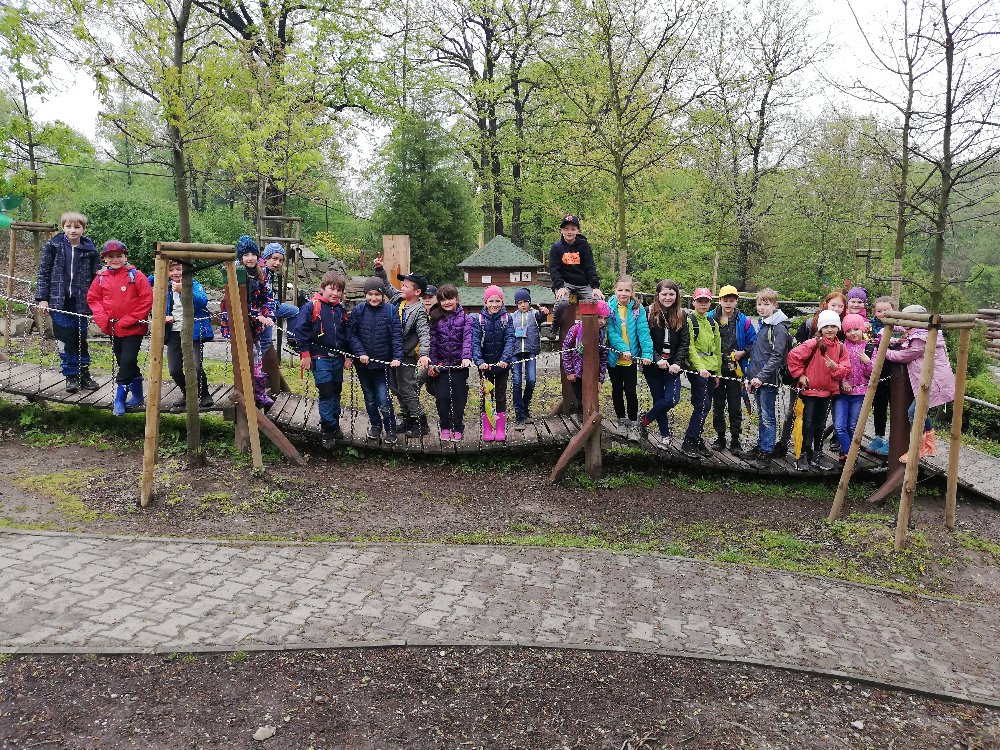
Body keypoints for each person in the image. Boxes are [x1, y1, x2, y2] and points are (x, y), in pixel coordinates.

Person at [35, 211, 102, 393]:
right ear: (63, 227)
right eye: (69, 226)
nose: (73, 230)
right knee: (65, 338)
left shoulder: (90, 249)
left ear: (83, 229)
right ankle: (71, 376)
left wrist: (99, 302)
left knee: (80, 338)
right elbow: (44, 272)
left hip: (81, 302)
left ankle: (84, 374)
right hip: (59, 301)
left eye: (77, 227)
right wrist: (43, 299)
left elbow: (97, 276)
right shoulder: (53, 245)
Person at [86, 240, 153, 416]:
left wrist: (129, 319)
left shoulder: (136, 276)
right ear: (105, 259)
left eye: (119, 255)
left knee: (127, 361)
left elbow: (146, 299)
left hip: (134, 328)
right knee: (125, 362)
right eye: (110, 256)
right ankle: (137, 396)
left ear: (125, 257)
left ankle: (119, 399)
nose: (115, 259)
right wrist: (103, 320)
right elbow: (93, 299)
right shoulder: (101, 277)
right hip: (113, 328)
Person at [884, 304, 956, 463]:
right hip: (931, 380)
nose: (905, 324)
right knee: (920, 412)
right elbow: (902, 327)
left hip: (934, 382)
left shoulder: (921, 339)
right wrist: (887, 325)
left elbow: (905, 356)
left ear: (919, 321)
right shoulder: (923, 331)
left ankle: (919, 448)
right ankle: (928, 444)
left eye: (908, 320)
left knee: (914, 413)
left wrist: (884, 351)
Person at [293, 272, 352, 448]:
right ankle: (328, 428)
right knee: (326, 391)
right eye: (331, 289)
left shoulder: (341, 310)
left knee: (336, 391)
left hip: (337, 359)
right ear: (322, 288)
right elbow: (300, 331)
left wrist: (348, 355)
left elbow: (346, 335)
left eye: (339, 290)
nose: (335, 293)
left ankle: (334, 423)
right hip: (320, 358)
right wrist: (305, 355)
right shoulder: (312, 307)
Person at [373, 261, 431, 439]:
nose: (402, 287)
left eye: (405, 286)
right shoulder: (398, 299)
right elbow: (387, 286)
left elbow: (424, 333)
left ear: (417, 292)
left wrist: (424, 354)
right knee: (395, 388)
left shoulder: (419, 310)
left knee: (407, 388)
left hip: (406, 355)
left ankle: (420, 422)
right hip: (392, 353)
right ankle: (407, 418)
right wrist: (379, 269)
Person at [787, 309, 850, 471]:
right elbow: (793, 356)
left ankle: (817, 454)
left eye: (833, 326)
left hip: (827, 392)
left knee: (820, 425)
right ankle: (802, 455)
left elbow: (845, 370)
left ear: (838, 328)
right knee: (806, 424)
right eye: (826, 326)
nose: (830, 329)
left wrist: (835, 368)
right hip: (809, 392)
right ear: (820, 328)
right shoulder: (812, 344)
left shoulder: (841, 348)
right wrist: (800, 375)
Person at [149, 259, 215, 412]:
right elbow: (147, 282)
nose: (175, 273)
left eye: (178, 269)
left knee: (195, 366)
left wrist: (184, 290)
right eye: (171, 270)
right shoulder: (164, 286)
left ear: (185, 270)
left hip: (193, 331)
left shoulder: (194, 284)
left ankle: (204, 393)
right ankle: (188, 394)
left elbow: (202, 301)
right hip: (173, 331)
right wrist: (161, 268)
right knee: (174, 369)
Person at [347, 277, 403, 444]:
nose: (373, 298)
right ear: (365, 294)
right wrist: (360, 352)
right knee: (370, 398)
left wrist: (397, 357)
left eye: (377, 294)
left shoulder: (390, 311)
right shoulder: (359, 310)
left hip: (382, 365)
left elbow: (396, 336)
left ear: (382, 295)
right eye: (370, 294)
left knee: (383, 399)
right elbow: (351, 334)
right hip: (363, 365)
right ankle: (375, 424)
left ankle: (390, 428)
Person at [744, 288, 791, 468]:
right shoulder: (764, 323)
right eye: (759, 304)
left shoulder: (779, 328)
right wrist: (751, 377)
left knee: (768, 417)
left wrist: (761, 377)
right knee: (761, 414)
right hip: (757, 378)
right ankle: (762, 446)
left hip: (768, 380)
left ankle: (767, 452)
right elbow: (758, 353)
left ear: (774, 305)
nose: (761, 307)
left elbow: (777, 356)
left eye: (766, 304)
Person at [708, 284, 756, 454]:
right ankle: (720, 437)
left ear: (736, 301)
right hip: (716, 369)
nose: (728, 303)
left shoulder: (744, 321)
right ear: (719, 300)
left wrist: (743, 353)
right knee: (718, 405)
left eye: (732, 300)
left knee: (735, 406)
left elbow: (754, 342)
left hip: (736, 370)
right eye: (725, 299)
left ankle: (735, 439)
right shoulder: (710, 318)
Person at [606, 275, 654, 440]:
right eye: (620, 290)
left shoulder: (637, 310)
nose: (623, 293)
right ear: (615, 291)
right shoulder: (609, 308)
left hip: (631, 360)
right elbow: (611, 332)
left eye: (627, 290)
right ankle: (621, 421)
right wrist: (623, 349)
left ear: (632, 292)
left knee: (631, 391)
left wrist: (647, 354)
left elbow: (644, 333)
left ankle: (633, 424)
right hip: (615, 358)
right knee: (617, 390)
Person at [641, 279, 688, 442]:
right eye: (664, 294)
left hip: (672, 366)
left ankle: (645, 419)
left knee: (671, 399)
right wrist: (657, 359)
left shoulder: (681, 315)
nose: (668, 297)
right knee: (659, 398)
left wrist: (677, 363)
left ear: (677, 296)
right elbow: (644, 339)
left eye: (671, 294)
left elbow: (684, 342)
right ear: (657, 295)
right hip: (653, 366)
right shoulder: (647, 313)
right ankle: (665, 434)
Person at [234, 236, 277, 409]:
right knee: (246, 357)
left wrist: (269, 315)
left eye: (253, 254)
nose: (250, 258)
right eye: (246, 255)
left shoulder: (261, 274)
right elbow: (239, 302)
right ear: (240, 257)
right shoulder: (236, 273)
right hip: (241, 323)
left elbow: (268, 298)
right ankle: (248, 391)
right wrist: (257, 316)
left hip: (257, 325)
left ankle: (259, 393)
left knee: (258, 356)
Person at [428, 284, 473, 442]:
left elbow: (467, 339)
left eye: (450, 298)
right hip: (441, 366)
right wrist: (433, 363)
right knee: (442, 397)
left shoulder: (466, 318)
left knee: (459, 398)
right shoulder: (435, 318)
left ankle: (458, 426)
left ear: (457, 299)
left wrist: (466, 357)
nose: (447, 302)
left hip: (459, 366)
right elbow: (432, 343)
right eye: (443, 300)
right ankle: (445, 426)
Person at [680, 288, 722, 460]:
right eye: (700, 301)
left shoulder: (712, 323)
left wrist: (717, 372)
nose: (703, 304)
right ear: (694, 302)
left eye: (706, 301)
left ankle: (696, 438)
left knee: (706, 405)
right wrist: (699, 368)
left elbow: (717, 349)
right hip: (697, 369)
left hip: (711, 368)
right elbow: (689, 347)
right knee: (702, 405)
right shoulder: (689, 321)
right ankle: (690, 440)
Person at [471, 285, 515, 442]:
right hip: (485, 368)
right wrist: (479, 362)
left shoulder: (507, 319)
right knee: (486, 397)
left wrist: (505, 359)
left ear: (502, 302)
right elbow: (475, 342)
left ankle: (500, 428)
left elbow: (510, 339)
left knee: (501, 396)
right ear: (485, 302)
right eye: (491, 301)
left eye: (497, 301)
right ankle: (488, 427)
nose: (494, 304)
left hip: (502, 366)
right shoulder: (479, 320)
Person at [833, 313, 873, 461]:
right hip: (842, 393)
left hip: (860, 393)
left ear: (862, 329)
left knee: (852, 425)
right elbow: (836, 368)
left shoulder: (869, 347)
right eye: (848, 330)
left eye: (856, 329)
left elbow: (873, 374)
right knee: (839, 426)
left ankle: (848, 456)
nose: (853, 333)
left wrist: (868, 362)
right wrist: (843, 381)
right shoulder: (841, 347)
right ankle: (848, 452)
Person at [510, 287, 549, 429]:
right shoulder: (511, 317)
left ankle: (525, 408)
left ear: (529, 302)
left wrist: (543, 312)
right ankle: (519, 416)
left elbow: (542, 316)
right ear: (516, 304)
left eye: (525, 302)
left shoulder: (534, 314)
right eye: (520, 303)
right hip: (515, 353)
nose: (523, 305)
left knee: (531, 380)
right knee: (517, 382)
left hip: (530, 351)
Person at [562, 301, 610, 410]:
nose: (602, 321)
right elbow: (566, 350)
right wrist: (569, 371)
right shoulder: (575, 329)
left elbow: (603, 358)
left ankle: (588, 417)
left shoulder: (604, 335)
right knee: (580, 400)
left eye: (605, 318)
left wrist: (600, 379)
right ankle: (581, 417)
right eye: (599, 317)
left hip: (593, 373)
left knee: (591, 400)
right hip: (576, 372)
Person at [549, 215, 604, 303]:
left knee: (598, 301)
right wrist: (560, 287)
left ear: (578, 231)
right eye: (566, 229)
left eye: (573, 229)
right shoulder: (556, 248)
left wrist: (595, 287)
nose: (569, 232)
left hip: (584, 285)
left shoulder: (584, 246)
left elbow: (590, 267)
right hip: (565, 284)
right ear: (561, 231)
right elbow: (554, 270)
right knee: (562, 302)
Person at [867, 296, 896, 456]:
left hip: (895, 373)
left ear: (894, 310)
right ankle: (879, 436)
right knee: (878, 405)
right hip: (877, 371)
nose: (883, 313)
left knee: (895, 406)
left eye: (887, 310)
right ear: (874, 312)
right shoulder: (870, 328)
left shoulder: (900, 327)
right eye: (879, 311)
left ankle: (894, 440)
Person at [258, 243, 299, 352]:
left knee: (294, 311)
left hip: (270, 305)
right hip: (261, 310)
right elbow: (263, 297)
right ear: (266, 258)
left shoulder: (270, 272)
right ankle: (258, 362)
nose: (278, 263)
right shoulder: (261, 272)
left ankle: (292, 340)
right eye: (274, 259)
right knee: (265, 341)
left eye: (280, 260)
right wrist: (269, 316)